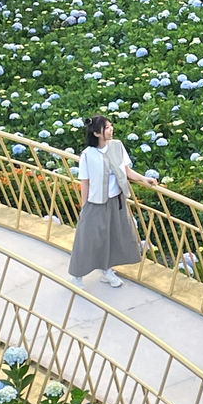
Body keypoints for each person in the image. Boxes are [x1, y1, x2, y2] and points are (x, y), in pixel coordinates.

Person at [68, 115, 158, 287]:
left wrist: (144, 179)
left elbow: (127, 171)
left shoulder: (117, 146)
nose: (111, 129)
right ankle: (77, 275)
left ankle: (107, 270)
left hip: (116, 200)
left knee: (112, 236)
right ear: (96, 133)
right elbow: (84, 182)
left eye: (110, 126)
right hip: (95, 202)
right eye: (107, 127)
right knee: (88, 238)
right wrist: (84, 206)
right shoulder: (88, 155)